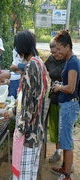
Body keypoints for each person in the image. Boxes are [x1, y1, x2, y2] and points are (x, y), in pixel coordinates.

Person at [4, 30, 48, 180]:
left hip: (28, 135)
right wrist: (12, 112)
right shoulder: (40, 63)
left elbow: (28, 106)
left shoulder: (30, 67)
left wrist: (19, 131)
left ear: (22, 49)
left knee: (23, 176)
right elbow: (34, 98)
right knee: (30, 175)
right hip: (37, 130)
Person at [51, 30, 79, 180]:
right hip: (66, 106)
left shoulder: (73, 62)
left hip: (70, 107)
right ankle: (64, 168)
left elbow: (71, 88)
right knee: (64, 139)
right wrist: (61, 84)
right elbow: (68, 83)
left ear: (67, 47)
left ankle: (67, 175)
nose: (58, 52)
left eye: (60, 49)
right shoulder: (69, 61)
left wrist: (59, 87)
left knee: (67, 142)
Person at [45, 38, 66, 163]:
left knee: (64, 130)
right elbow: (43, 71)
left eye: (57, 51)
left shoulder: (68, 61)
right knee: (54, 128)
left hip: (65, 100)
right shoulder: (50, 60)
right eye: (52, 52)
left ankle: (67, 160)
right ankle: (58, 152)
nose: (55, 55)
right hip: (53, 98)